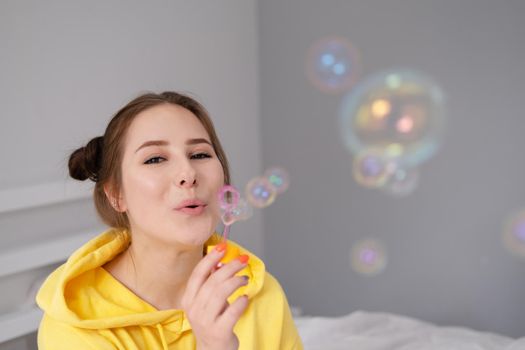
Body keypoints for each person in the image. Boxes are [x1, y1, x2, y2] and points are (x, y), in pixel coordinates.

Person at [36, 91, 303, 350]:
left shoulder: (260, 293)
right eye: (155, 159)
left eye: (200, 154)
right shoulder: (74, 327)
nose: (188, 173)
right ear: (116, 194)